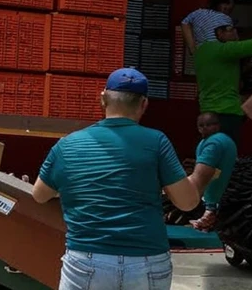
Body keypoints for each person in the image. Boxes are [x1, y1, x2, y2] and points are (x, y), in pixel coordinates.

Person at [32, 68, 199, 290]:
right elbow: (187, 203)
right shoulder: (156, 142)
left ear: (103, 99)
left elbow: (40, 195)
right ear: (144, 104)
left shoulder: (68, 145)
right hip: (147, 261)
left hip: (87, 261)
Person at [193, 13, 252, 143]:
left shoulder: (202, 51)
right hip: (225, 113)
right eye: (232, 29)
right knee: (225, 152)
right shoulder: (221, 49)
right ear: (219, 33)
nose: (235, 32)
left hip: (208, 110)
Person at [185, 112, 237, 232]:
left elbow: (204, 172)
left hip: (216, 194)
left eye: (209, 124)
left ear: (217, 126)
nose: (204, 128)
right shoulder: (222, 139)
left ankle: (206, 220)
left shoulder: (213, 143)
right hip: (224, 192)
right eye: (201, 125)